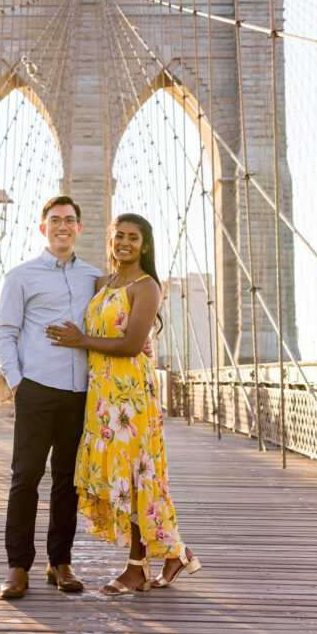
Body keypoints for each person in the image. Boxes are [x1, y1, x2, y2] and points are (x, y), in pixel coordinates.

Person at [46, 213, 200, 595]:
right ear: (110, 241)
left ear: (144, 245)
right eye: (119, 236)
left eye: (134, 237)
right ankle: (175, 553)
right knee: (129, 478)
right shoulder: (103, 282)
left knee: (136, 479)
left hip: (131, 398)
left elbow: (133, 344)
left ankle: (137, 568)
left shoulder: (147, 287)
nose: (125, 242)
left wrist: (81, 341)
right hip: (103, 398)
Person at [0, 195, 100, 599]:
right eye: (55, 220)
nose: (63, 226)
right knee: (26, 478)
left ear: (79, 228)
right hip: (36, 389)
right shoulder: (21, 275)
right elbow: (5, 332)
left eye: (70, 220)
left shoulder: (95, 277)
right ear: (43, 228)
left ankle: (61, 563)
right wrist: (18, 383)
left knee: (68, 482)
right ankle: (17, 567)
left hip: (80, 393)